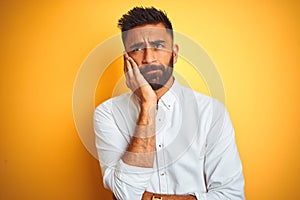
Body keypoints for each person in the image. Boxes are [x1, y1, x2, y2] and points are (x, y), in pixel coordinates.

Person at [94, 6, 245, 200]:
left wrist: (151, 198)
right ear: (127, 58)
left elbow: (232, 197)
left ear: (174, 53)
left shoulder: (211, 112)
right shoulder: (107, 114)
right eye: (137, 49)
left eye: (158, 46)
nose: (149, 58)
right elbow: (125, 194)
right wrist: (147, 105)